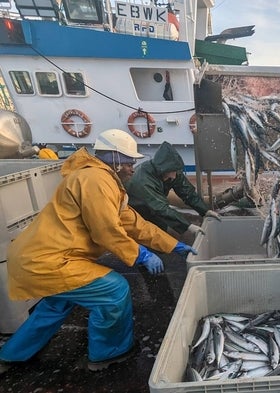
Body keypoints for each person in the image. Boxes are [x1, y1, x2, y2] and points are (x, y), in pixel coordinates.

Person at [0, 129, 196, 375]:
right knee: (113, 290)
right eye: (128, 161)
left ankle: (12, 355)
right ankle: (108, 353)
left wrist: (171, 244)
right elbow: (106, 231)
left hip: (38, 257)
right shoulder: (95, 180)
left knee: (56, 304)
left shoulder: (103, 181)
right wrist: (141, 255)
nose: (132, 167)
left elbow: (133, 222)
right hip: (50, 261)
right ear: (114, 158)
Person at [125, 141, 221, 239]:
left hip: (155, 208)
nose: (175, 176)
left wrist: (205, 210)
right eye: (173, 172)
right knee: (149, 237)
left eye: (176, 171)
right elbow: (161, 208)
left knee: (163, 233)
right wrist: (188, 226)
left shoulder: (171, 172)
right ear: (163, 169)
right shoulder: (143, 181)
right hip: (136, 211)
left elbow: (187, 193)